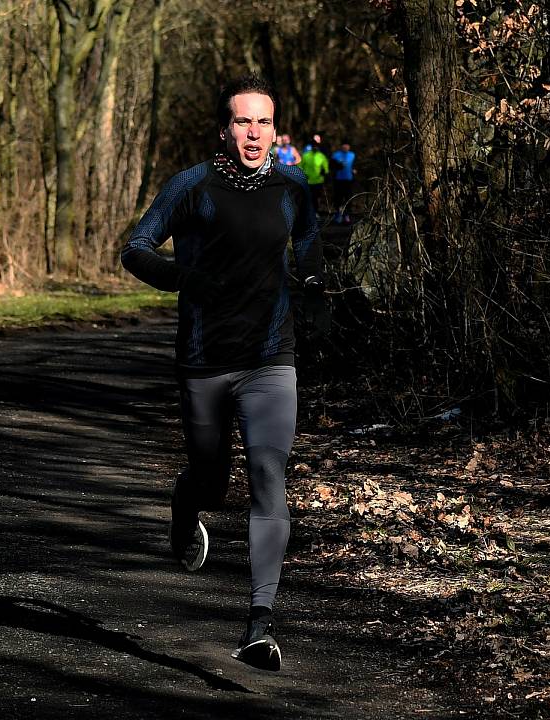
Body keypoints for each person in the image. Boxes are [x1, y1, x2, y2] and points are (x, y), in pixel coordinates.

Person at [120, 73, 329, 672]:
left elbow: (309, 237)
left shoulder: (293, 186)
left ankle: (259, 626)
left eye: (263, 121)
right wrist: (183, 278)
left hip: (271, 358)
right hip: (205, 361)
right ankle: (185, 509)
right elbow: (136, 248)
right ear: (225, 128)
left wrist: (313, 283)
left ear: (275, 129)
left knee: (268, 473)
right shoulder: (193, 186)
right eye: (243, 121)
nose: (253, 132)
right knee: (211, 477)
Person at [299, 136, 329, 216]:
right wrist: (303, 175)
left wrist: (324, 172)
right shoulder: (306, 156)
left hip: (318, 181)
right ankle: (308, 213)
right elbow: (300, 167)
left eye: (316, 146)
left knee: (316, 198)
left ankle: (315, 212)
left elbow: (326, 168)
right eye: (313, 146)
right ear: (311, 147)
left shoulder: (321, 156)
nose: (315, 147)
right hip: (307, 181)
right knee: (308, 198)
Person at [330, 140, 356, 224]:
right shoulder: (336, 155)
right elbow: (331, 166)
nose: (345, 147)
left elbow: (355, 165)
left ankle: (347, 215)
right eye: (344, 145)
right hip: (338, 180)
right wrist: (337, 166)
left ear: (349, 147)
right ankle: (338, 215)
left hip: (348, 180)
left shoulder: (352, 155)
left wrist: (354, 170)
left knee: (348, 199)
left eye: (347, 145)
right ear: (341, 146)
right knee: (338, 199)